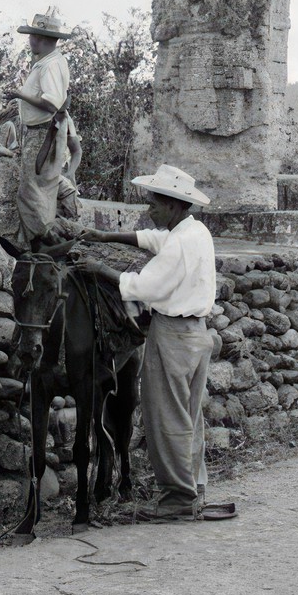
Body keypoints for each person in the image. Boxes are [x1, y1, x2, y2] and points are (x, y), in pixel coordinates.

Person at [78, 164, 231, 522]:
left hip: (173, 335)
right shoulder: (194, 232)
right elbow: (154, 239)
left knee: (166, 417)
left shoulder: (179, 243)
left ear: (175, 205)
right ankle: (193, 488)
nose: (149, 210)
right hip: (196, 334)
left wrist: (98, 268)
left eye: (155, 204)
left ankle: (177, 498)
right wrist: (106, 237)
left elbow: (145, 287)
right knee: (189, 416)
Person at [6, 8, 72, 247]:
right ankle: (41, 244)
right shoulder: (50, 62)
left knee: (30, 193)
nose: (30, 41)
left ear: (43, 39)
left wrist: (20, 95)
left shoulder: (49, 66)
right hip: (45, 131)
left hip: (43, 133)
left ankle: (45, 242)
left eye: (33, 36)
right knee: (40, 191)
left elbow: (50, 103)